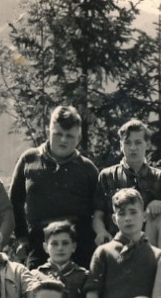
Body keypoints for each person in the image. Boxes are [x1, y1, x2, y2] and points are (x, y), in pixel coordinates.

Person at [10, 105, 103, 268]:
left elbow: (100, 208)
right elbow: (14, 201)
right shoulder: (29, 160)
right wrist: (22, 238)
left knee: (85, 287)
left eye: (69, 136)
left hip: (79, 243)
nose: (63, 140)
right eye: (58, 134)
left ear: (79, 137)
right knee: (35, 286)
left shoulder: (87, 168)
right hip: (41, 241)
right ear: (49, 131)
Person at [85, 187, 161, 298]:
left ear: (144, 216)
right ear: (114, 219)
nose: (127, 218)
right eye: (121, 213)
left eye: (133, 212)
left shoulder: (157, 255)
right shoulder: (104, 252)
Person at [97, 119, 161, 237]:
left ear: (147, 144)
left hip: (149, 246)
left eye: (138, 142)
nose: (133, 148)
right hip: (116, 244)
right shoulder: (107, 176)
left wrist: (160, 205)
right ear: (121, 145)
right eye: (127, 142)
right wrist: (101, 232)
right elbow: (98, 215)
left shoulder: (160, 177)